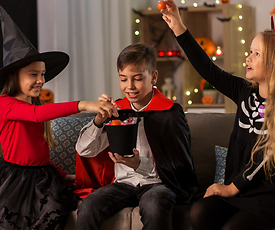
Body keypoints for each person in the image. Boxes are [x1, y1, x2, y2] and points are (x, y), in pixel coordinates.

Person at [0, 5, 117, 230]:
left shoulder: (36, 103)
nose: (40, 80)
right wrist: (83, 104)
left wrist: (62, 175)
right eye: (33, 74)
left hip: (43, 177)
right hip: (14, 179)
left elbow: (37, 152)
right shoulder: (6, 104)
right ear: (15, 75)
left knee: (53, 212)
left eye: (42, 74)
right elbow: (34, 116)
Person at [161, 0, 275, 230]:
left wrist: (231, 188)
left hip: (271, 194)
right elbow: (207, 68)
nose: (248, 58)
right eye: (250, 51)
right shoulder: (243, 91)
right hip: (241, 190)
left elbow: (265, 156)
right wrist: (179, 27)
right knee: (199, 212)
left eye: (256, 54)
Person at [74, 43, 200, 230]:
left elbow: (179, 163)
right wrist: (99, 119)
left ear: (153, 77)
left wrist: (139, 164)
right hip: (122, 184)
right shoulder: (116, 111)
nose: (129, 86)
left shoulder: (170, 113)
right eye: (123, 79)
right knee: (88, 206)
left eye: (138, 79)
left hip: (157, 184)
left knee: (153, 205)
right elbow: (85, 150)